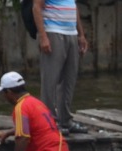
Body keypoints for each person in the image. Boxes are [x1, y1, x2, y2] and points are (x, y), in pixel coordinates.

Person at [0, 71, 71, 151]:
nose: (4, 97)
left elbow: (23, 138)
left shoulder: (21, 107)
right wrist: (8, 133)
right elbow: (34, 126)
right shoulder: (36, 102)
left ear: (9, 92)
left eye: (4, 94)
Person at [33, 0, 88, 131]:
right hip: (53, 31)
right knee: (50, 80)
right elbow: (36, 7)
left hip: (71, 32)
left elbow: (73, 7)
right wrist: (43, 36)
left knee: (69, 79)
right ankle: (49, 120)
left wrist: (81, 34)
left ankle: (65, 119)